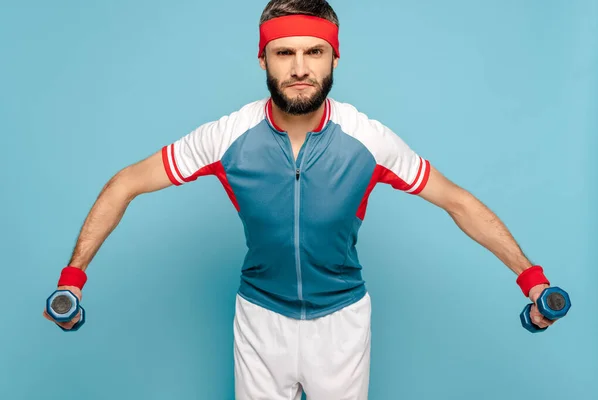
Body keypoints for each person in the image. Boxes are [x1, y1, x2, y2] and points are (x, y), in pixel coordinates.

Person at [43, 0, 563, 399]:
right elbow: (125, 183)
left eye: (313, 51)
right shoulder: (227, 137)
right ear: (263, 58)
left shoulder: (368, 140)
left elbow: (457, 201)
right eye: (283, 52)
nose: (298, 67)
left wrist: (531, 279)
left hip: (342, 323)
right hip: (260, 320)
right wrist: (74, 278)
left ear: (334, 55)